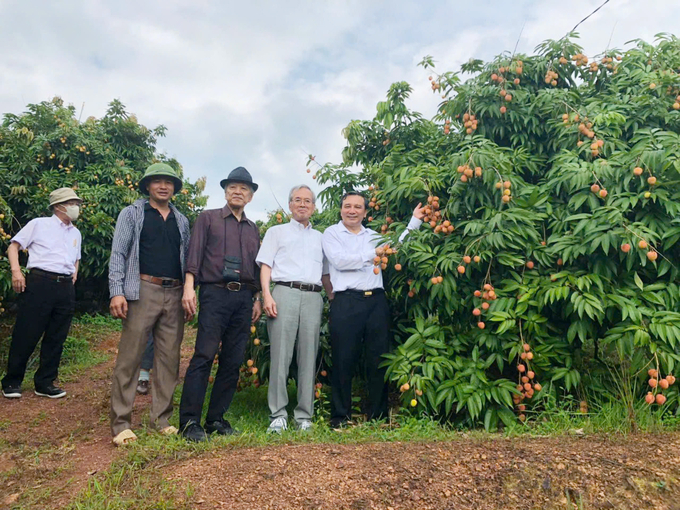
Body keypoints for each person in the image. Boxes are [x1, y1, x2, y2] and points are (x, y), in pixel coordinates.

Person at [321, 192, 424, 428]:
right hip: (346, 301)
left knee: (378, 358)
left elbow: (395, 247)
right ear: (341, 209)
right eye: (347, 206)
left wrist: (414, 222)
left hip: (376, 301)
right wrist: (373, 254)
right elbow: (339, 261)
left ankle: (378, 416)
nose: (352, 210)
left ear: (365, 212)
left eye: (358, 207)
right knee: (343, 358)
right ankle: (340, 417)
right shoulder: (331, 234)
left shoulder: (374, 236)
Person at [108, 163, 191, 446]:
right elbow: (118, 253)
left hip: (175, 291)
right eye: (157, 181)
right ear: (147, 186)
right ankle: (120, 423)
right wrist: (116, 291)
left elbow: (186, 260)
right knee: (130, 357)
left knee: (169, 358)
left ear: (174, 188)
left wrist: (188, 293)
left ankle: (162, 419)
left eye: (168, 182)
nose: (163, 186)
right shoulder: (132, 214)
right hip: (142, 289)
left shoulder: (181, 220)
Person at [179, 167, 263, 442]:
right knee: (204, 354)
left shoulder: (253, 229)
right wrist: (189, 288)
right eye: (233, 187)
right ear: (225, 192)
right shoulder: (208, 218)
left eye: (243, 189)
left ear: (250, 196)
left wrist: (258, 297)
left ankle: (216, 418)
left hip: (243, 298)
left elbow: (256, 266)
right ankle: (189, 421)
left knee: (233, 359)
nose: (238, 192)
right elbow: (194, 254)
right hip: (214, 293)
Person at [256, 185, 329, 433]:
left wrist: (331, 298)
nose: (302, 204)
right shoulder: (276, 232)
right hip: (283, 293)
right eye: (297, 200)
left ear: (314, 207)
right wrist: (267, 295)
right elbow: (265, 266)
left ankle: (304, 416)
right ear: (289, 205)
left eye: (307, 201)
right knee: (280, 355)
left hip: (312, 296)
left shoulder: (321, 237)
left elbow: (327, 274)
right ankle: (277, 414)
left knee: (309, 355)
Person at [2, 188, 83, 399]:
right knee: (27, 332)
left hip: (65, 286)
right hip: (40, 281)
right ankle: (12, 381)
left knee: (57, 335)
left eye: (77, 203)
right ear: (58, 206)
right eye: (72, 203)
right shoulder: (39, 224)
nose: (77, 207)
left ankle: (45, 382)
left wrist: (74, 275)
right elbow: (13, 247)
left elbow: (76, 258)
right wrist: (16, 272)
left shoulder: (76, 233)